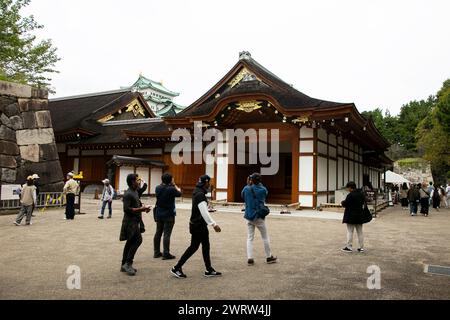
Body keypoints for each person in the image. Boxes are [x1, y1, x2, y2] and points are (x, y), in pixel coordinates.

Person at [171, 175, 222, 279]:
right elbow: (203, 212)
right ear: (206, 183)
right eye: (209, 183)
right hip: (198, 225)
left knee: (205, 246)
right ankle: (176, 267)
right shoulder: (200, 194)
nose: (209, 185)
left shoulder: (197, 191)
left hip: (198, 224)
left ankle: (209, 269)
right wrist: (214, 224)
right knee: (193, 247)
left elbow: (202, 209)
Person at [241, 173, 277, 266]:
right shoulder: (263, 189)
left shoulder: (246, 188)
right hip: (259, 217)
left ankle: (250, 258)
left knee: (250, 238)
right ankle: (269, 257)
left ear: (251, 180)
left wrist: (248, 184)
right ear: (260, 180)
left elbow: (242, 196)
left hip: (249, 216)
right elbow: (264, 195)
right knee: (265, 237)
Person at [120, 174, 151, 276]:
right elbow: (126, 209)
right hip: (129, 221)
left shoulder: (135, 192)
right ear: (132, 182)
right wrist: (141, 209)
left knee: (130, 242)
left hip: (135, 220)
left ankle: (124, 264)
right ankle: (128, 263)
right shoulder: (128, 194)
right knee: (138, 240)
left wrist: (144, 208)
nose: (138, 182)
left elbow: (137, 204)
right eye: (137, 181)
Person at [154, 173, 182, 260]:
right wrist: (174, 185)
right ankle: (166, 253)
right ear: (170, 180)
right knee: (167, 234)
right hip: (169, 214)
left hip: (159, 213)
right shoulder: (171, 189)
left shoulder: (157, 188)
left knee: (158, 232)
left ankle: (156, 252)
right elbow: (180, 193)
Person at [341, 181, 366, 253]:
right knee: (360, 232)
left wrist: (342, 202)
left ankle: (349, 247)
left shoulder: (350, 195)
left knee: (350, 232)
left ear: (350, 188)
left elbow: (346, 204)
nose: (347, 189)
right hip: (359, 216)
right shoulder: (361, 194)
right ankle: (361, 248)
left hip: (351, 216)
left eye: (348, 188)